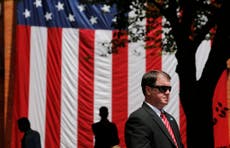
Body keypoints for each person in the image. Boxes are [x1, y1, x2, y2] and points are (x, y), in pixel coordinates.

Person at [125, 70, 184, 148]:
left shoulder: (170, 119)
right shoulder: (138, 119)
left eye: (169, 89)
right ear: (148, 90)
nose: (167, 92)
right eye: (163, 88)